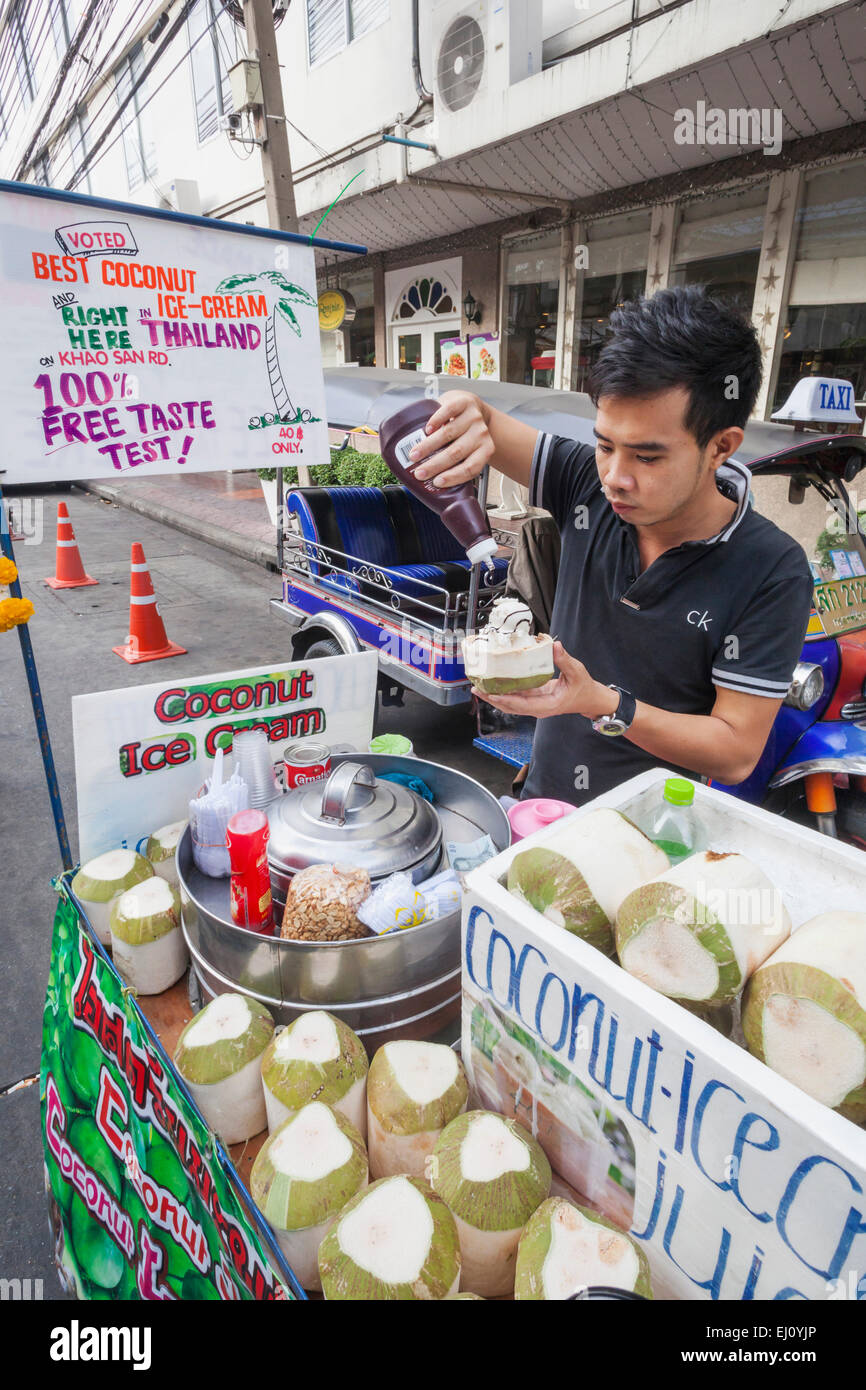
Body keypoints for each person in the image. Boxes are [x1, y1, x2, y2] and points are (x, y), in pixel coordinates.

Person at [407, 285, 815, 805]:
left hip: (654, 837)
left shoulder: (772, 569)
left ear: (721, 447)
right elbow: (483, 419)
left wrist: (599, 702)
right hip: (543, 804)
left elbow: (734, 751)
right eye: (605, 444)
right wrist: (459, 410)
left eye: (647, 457)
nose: (615, 479)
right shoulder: (585, 482)